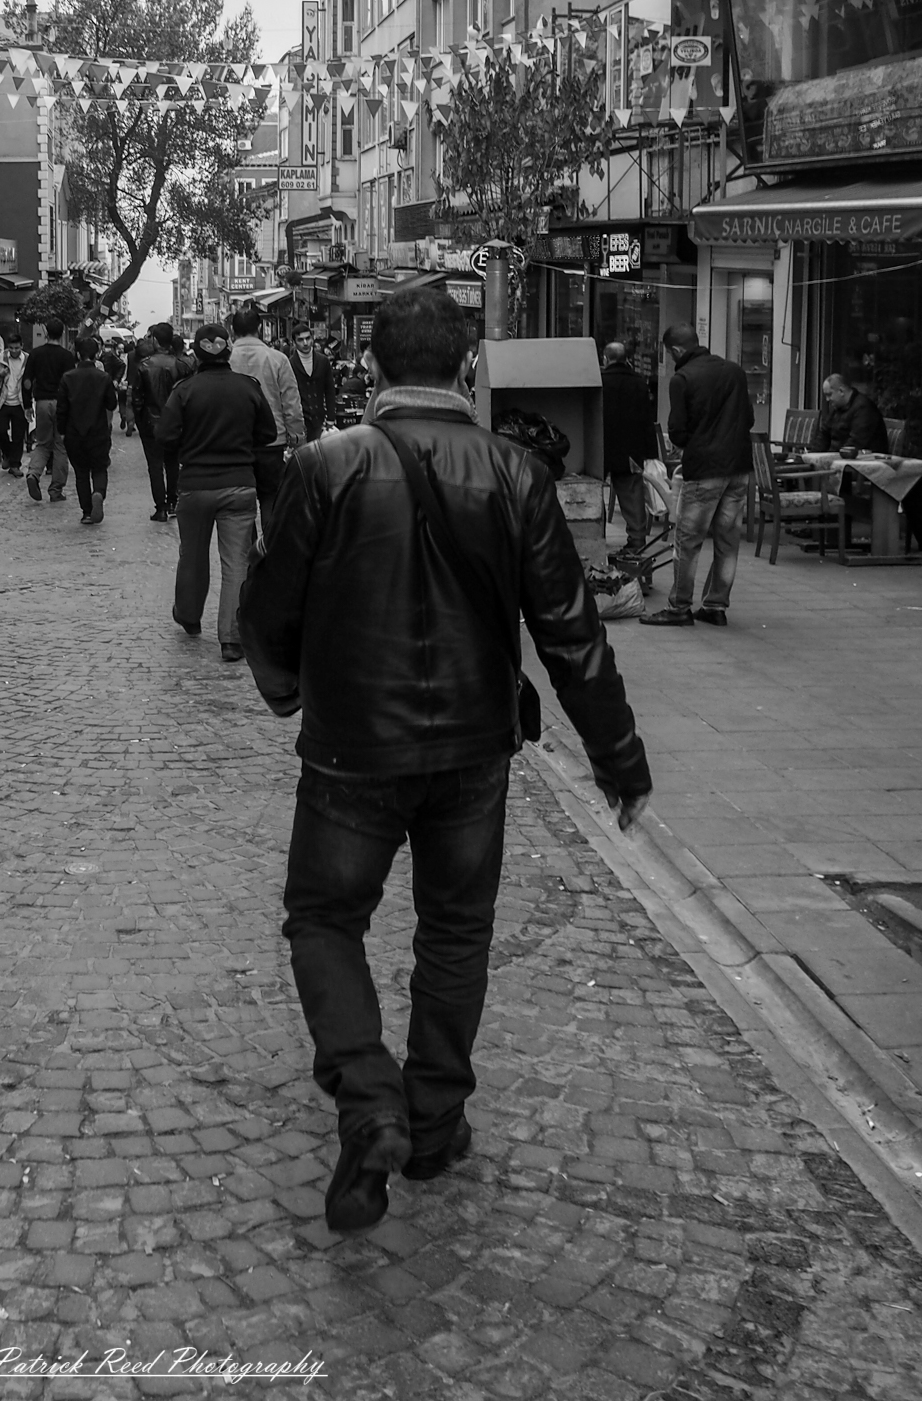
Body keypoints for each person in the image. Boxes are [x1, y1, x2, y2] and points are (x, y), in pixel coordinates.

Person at [239, 288, 652, 1235]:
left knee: (324, 917)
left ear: (373, 366)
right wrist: (618, 760)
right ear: (466, 369)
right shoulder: (516, 473)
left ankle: (368, 1097)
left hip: (354, 746)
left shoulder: (326, 465)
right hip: (472, 744)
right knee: (457, 930)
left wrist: (288, 687)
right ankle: (430, 1121)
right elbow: (571, 633)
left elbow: (270, 604)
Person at [157, 321, 275, 662]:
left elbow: (165, 436)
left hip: (195, 485)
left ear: (196, 353)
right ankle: (232, 638)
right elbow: (268, 434)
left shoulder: (184, 390)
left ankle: (189, 615)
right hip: (239, 484)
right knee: (237, 561)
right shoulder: (248, 387)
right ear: (229, 351)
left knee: (192, 555)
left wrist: (189, 444)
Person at [642, 322, 755, 628]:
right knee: (728, 541)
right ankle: (716, 606)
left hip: (705, 468)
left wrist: (694, 442)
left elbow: (678, 432)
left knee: (688, 540)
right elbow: (749, 418)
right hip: (739, 467)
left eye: (670, 353)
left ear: (677, 350)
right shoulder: (735, 371)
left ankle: (679, 607)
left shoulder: (682, 379)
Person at [227, 304, 304, 533]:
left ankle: (247, 548)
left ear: (233, 330)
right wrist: (296, 435)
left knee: (241, 503)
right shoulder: (278, 359)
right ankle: (269, 547)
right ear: (259, 328)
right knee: (270, 497)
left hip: (235, 441)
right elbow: (290, 400)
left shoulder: (225, 361)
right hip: (273, 440)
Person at [600, 341, 657, 557]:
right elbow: (647, 420)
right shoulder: (639, 383)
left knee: (594, 492)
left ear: (606, 359)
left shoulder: (599, 382)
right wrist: (650, 453)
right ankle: (637, 540)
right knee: (632, 495)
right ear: (627, 359)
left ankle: (597, 535)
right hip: (631, 449)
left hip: (602, 446)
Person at [56, 332, 119, 524]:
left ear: (77, 354)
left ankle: (87, 512)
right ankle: (98, 492)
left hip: (74, 432)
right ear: (97, 354)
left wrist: (62, 431)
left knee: (81, 473)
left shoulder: (67, 378)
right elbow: (112, 404)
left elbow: (62, 409)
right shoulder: (104, 377)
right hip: (98, 431)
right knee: (99, 468)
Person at [131, 322, 190, 520]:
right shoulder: (181, 366)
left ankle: (161, 507)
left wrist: (140, 421)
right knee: (172, 463)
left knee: (155, 466)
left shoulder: (144, 366)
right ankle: (172, 502)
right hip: (175, 423)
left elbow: (137, 399)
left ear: (155, 340)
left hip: (151, 423)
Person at [22, 317, 76, 504]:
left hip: (42, 402)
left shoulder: (35, 354)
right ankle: (56, 490)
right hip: (61, 404)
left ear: (46, 333)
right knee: (61, 446)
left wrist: (27, 404)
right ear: (62, 333)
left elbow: (27, 381)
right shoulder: (67, 356)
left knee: (43, 443)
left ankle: (33, 473)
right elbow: (71, 383)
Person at [815, 371, 887, 454]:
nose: (827, 399)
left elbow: (855, 443)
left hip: (864, 458)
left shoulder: (864, 408)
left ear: (841, 391)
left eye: (829, 394)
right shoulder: (837, 407)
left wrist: (830, 457)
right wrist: (812, 455)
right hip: (839, 455)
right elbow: (824, 434)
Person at [289, 322, 337, 442]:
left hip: (319, 418)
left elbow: (330, 390)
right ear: (294, 342)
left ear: (312, 338)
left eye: (308, 338)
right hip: (299, 420)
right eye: (300, 340)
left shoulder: (323, 361)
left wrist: (331, 417)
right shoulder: (289, 364)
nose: (305, 343)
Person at [0, 334, 29, 475]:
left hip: (20, 401)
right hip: (3, 400)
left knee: (18, 435)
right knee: (0, 430)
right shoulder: (2, 357)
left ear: (22, 346)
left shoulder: (27, 359)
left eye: (17, 348)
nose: (14, 351)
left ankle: (15, 465)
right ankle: (7, 454)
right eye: (11, 348)